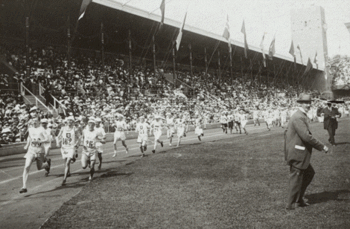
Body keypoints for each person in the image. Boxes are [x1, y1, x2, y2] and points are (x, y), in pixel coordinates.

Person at [284, 94, 329, 210]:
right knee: (296, 178)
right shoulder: (298, 117)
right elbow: (306, 137)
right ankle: (290, 204)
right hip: (297, 153)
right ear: (300, 103)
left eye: (309, 103)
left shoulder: (300, 115)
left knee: (309, 173)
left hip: (298, 152)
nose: (308, 105)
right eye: (305, 103)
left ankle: (298, 200)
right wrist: (322, 146)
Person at [20, 118, 50, 193]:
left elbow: (48, 139)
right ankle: (24, 186)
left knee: (39, 168)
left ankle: (47, 164)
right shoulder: (30, 129)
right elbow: (29, 138)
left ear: (39, 122)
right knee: (26, 167)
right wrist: (27, 145)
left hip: (40, 151)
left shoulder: (42, 129)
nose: (33, 123)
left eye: (35, 122)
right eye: (32, 122)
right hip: (31, 151)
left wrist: (40, 141)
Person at [56, 116, 80, 185]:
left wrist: (77, 144)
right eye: (68, 121)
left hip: (71, 147)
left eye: (71, 121)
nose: (70, 122)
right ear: (66, 122)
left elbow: (79, 137)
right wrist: (58, 142)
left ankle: (64, 179)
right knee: (65, 161)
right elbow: (58, 136)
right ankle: (68, 171)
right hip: (64, 147)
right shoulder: (63, 128)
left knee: (68, 162)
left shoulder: (75, 129)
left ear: (73, 122)